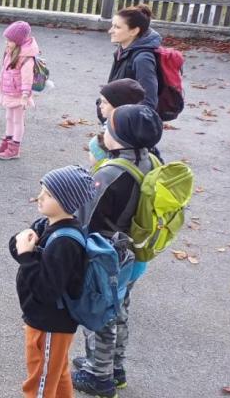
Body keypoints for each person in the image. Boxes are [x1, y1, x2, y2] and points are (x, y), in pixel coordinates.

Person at [71, 104, 163, 397]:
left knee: (101, 313)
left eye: (108, 128)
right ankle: (115, 368)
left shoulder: (111, 173)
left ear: (120, 136)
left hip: (106, 253)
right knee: (120, 309)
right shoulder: (149, 159)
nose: (104, 131)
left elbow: (85, 215)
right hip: (132, 250)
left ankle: (99, 377)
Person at [10, 165, 96, 398]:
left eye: (48, 195)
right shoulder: (48, 225)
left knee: (39, 383)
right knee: (56, 375)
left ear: (66, 202)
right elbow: (26, 255)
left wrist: (27, 256)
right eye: (42, 190)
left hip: (50, 323)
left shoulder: (64, 243)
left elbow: (46, 290)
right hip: (46, 321)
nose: (40, 197)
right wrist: (20, 244)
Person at [0, 21, 39, 160]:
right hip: (9, 91)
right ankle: (7, 141)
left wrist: (25, 95)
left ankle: (14, 148)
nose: (7, 43)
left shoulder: (26, 58)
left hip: (19, 95)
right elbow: (4, 70)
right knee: (9, 118)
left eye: (10, 41)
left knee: (17, 120)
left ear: (18, 41)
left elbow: (27, 79)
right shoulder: (10, 52)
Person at [107, 5, 160, 110]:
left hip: (127, 122)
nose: (110, 31)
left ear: (134, 31)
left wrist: (124, 119)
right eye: (112, 26)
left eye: (117, 27)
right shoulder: (122, 51)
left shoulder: (142, 59)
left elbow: (148, 103)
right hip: (116, 119)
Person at [88, 79, 146, 165]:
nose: (100, 106)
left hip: (113, 170)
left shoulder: (122, 134)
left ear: (120, 107)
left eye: (105, 102)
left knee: (95, 144)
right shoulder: (131, 124)